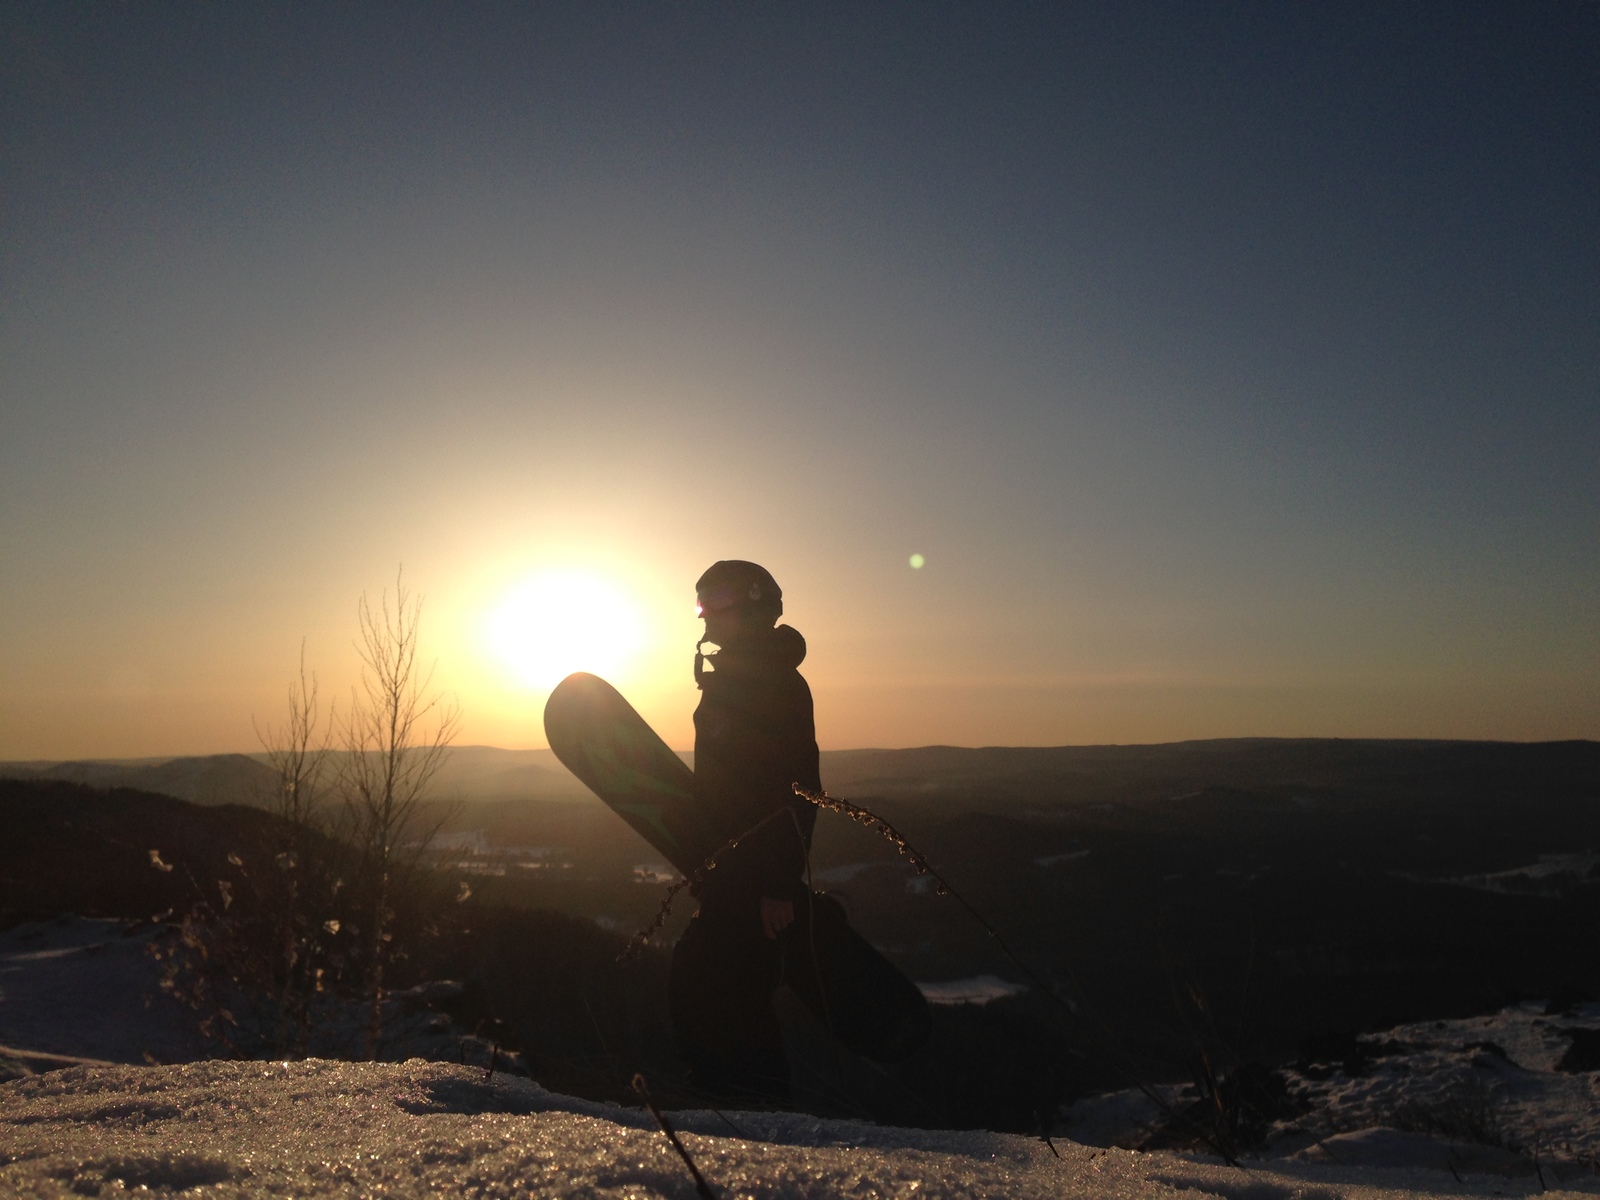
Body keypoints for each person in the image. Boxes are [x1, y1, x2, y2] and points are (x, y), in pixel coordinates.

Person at [668, 559, 823, 1102]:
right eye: (701, 601)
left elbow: (796, 789)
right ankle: (732, 1108)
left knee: (716, 984)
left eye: (719, 600)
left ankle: (759, 1120)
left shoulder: (774, 685)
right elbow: (725, 787)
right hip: (732, 869)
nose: (705, 613)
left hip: (757, 875)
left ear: (755, 606)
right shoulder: (733, 680)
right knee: (710, 983)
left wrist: (778, 885)